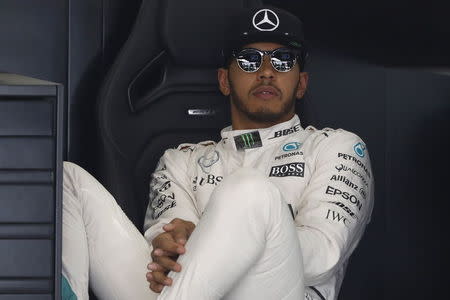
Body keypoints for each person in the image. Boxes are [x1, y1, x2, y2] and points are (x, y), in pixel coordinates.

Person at [62, 6, 374, 300]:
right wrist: (174, 248)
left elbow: (323, 257)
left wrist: (230, 242)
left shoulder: (339, 148)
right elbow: (170, 242)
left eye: (283, 60)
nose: (266, 71)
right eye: (250, 60)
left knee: (250, 191)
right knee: (66, 179)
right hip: (186, 290)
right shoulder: (180, 160)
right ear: (224, 80)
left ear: (301, 83)